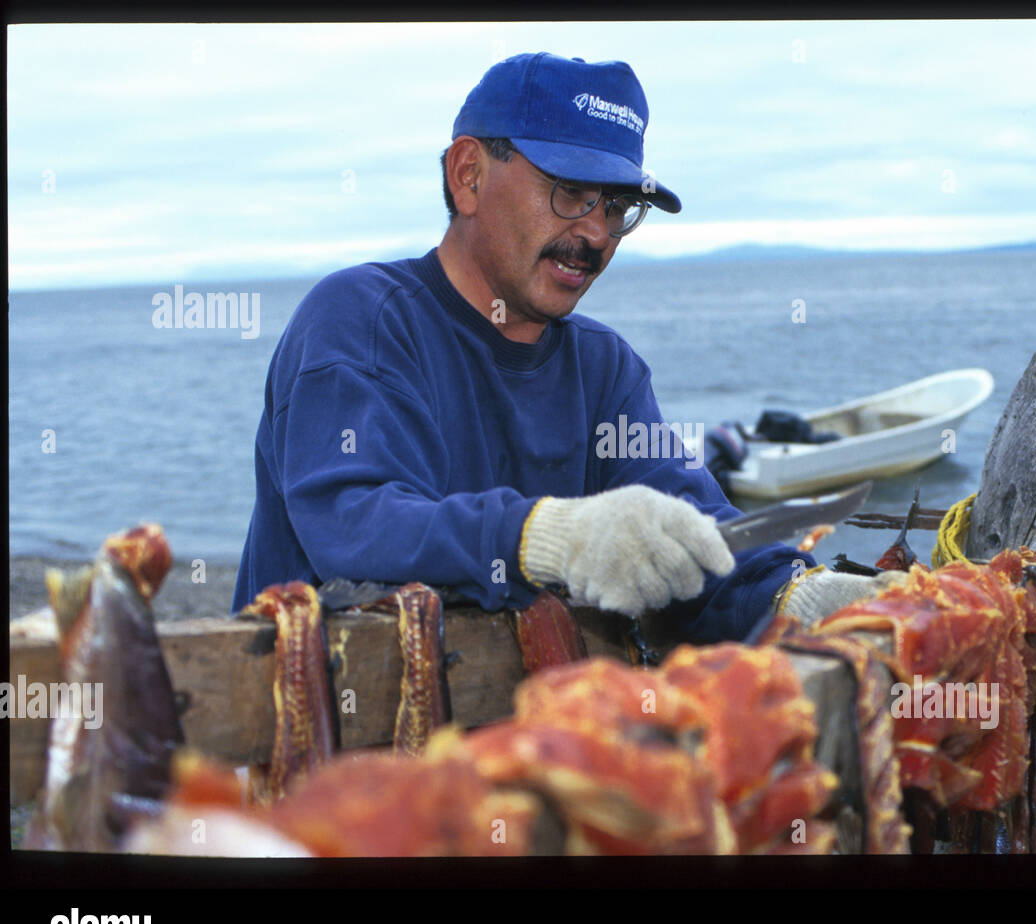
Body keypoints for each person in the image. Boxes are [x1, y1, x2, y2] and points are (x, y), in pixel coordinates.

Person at [232, 52, 874, 639]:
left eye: (618, 206)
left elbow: (695, 538)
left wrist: (800, 595)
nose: (595, 234)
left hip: (526, 750)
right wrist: (549, 538)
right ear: (469, 175)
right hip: (328, 744)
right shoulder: (362, 319)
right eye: (570, 192)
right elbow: (356, 524)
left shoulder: (604, 368)